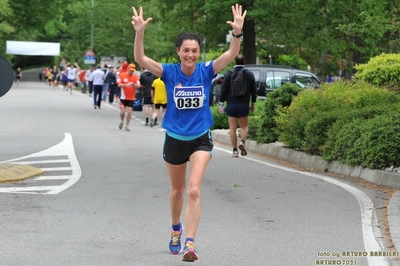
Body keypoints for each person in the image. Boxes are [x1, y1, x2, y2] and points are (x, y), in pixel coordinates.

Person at [132, 4, 246, 262]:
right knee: (178, 191)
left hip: (200, 139)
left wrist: (237, 33)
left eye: (194, 50)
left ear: (198, 52)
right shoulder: (169, 72)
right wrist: (140, 33)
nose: (191, 54)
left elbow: (231, 53)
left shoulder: (207, 70)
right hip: (174, 138)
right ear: (179, 52)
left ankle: (190, 244)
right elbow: (141, 60)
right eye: (186, 50)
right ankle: (176, 229)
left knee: (194, 190)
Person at [219, 54, 257, 157]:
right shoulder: (249, 75)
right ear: (244, 62)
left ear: (234, 62)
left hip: (231, 105)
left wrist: (221, 103)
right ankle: (242, 142)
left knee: (232, 128)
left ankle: (235, 151)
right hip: (244, 105)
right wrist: (253, 103)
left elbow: (223, 90)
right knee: (244, 127)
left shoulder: (228, 74)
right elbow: (254, 91)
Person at [117, 63, 140, 131]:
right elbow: (119, 85)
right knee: (122, 112)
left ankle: (127, 125)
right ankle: (122, 121)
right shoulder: (122, 75)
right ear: (127, 69)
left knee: (129, 112)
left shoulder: (135, 77)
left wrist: (133, 84)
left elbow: (138, 86)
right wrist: (126, 85)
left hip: (131, 97)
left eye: (133, 70)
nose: (131, 72)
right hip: (123, 97)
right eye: (130, 70)